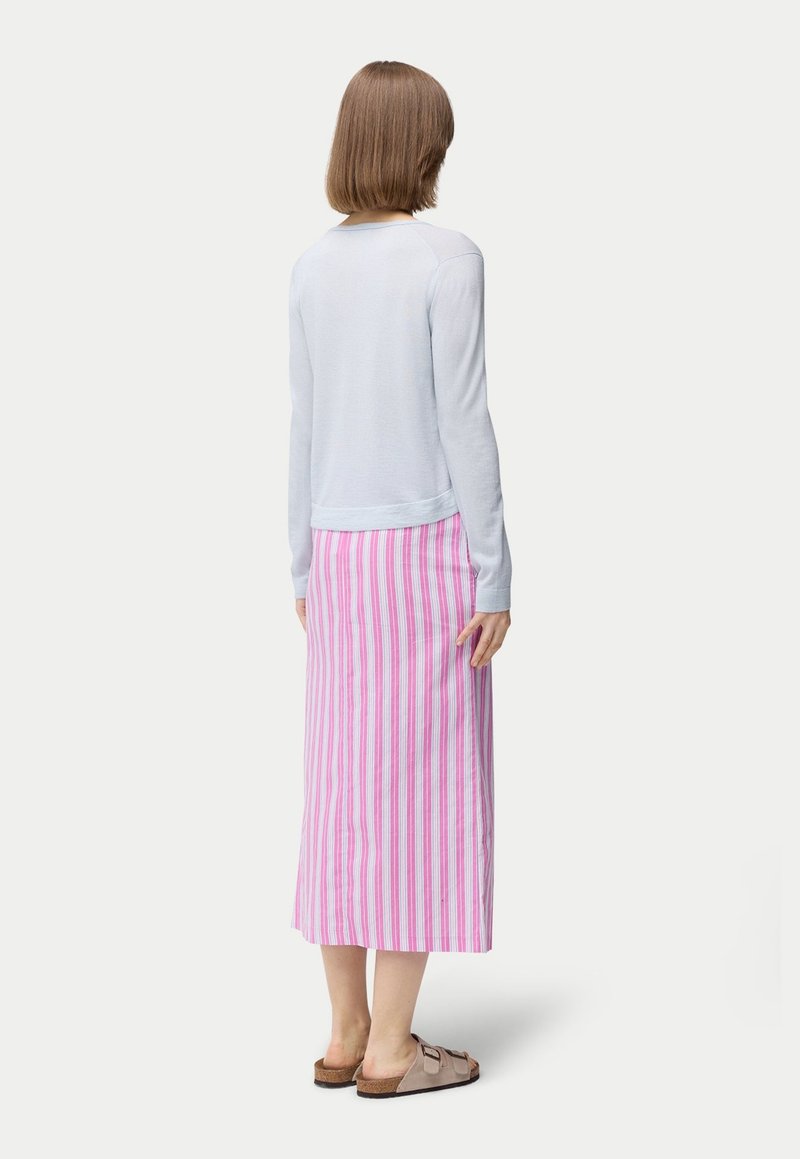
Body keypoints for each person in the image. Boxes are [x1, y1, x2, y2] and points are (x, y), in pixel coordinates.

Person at [287, 60, 512, 1099]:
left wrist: (300, 558)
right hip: (424, 549)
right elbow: (465, 418)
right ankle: (391, 1047)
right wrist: (493, 570)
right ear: (424, 147)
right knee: (416, 788)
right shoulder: (447, 258)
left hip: (337, 551)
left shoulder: (311, 266)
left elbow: (305, 420)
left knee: (342, 785)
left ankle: (343, 1035)